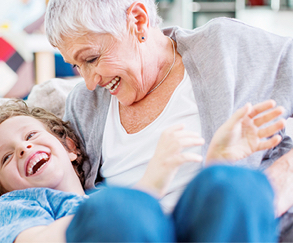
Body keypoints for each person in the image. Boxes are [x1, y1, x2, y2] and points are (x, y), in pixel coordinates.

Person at [45, 0, 293, 241]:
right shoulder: (83, 104)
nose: (89, 82)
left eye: (91, 59)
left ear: (138, 21)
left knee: (227, 188)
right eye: (77, 67)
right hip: (133, 234)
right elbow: (66, 195)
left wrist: (279, 181)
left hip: (228, 226)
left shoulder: (223, 47)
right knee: (113, 210)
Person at [0, 99, 284, 242]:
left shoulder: (105, 188)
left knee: (232, 185)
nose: (22, 149)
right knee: (116, 211)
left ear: (70, 147)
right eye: (6, 158)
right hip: (114, 217)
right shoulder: (19, 208)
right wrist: (146, 188)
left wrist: (217, 159)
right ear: (4, 189)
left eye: (31, 136)